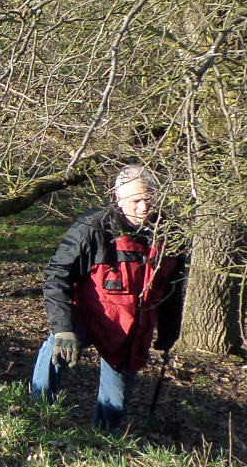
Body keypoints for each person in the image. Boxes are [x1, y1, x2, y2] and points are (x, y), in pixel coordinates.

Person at [30, 164, 184, 431]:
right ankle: (36, 416)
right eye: (136, 201)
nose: (144, 208)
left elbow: (171, 289)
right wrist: (63, 328)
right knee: (54, 350)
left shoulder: (171, 234)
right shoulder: (94, 227)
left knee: (115, 404)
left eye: (149, 200)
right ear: (118, 198)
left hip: (131, 330)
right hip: (90, 315)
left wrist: (169, 332)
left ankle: (101, 442)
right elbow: (57, 276)